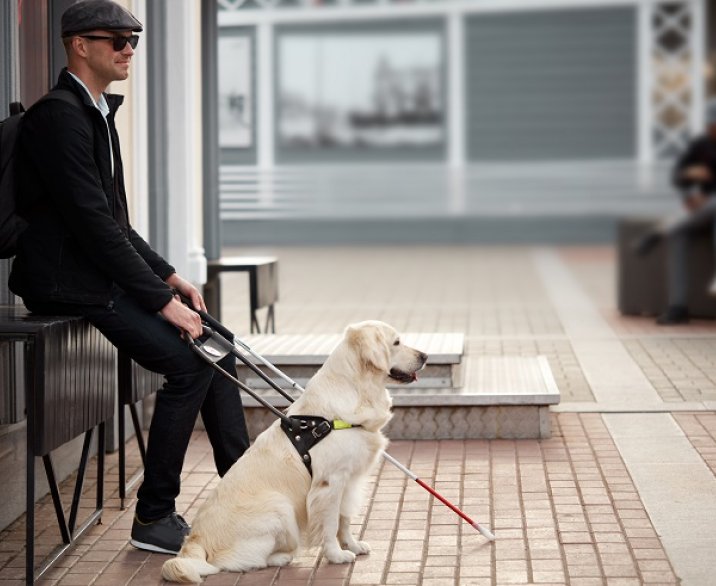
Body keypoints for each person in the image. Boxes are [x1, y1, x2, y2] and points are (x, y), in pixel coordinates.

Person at [8, 0, 250, 554]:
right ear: (79, 45)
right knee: (189, 364)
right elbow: (91, 226)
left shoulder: (96, 112)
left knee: (219, 345)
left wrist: (167, 276)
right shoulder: (58, 118)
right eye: (117, 39)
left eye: (134, 40)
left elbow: (116, 222)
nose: (128, 50)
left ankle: (243, 491)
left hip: (96, 272)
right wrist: (161, 304)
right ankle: (154, 517)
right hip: (66, 279)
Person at [634, 101, 716, 325]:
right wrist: (690, 184)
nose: (712, 129)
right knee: (678, 235)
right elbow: (677, 176)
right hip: (702, 208)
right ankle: (677, 306)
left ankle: (659, 230)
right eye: (710, 124)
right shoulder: (701, 145)